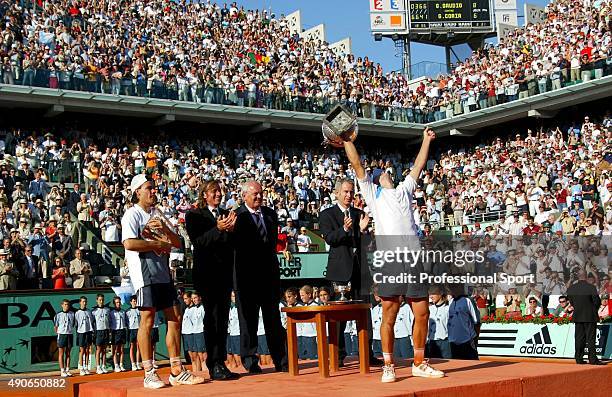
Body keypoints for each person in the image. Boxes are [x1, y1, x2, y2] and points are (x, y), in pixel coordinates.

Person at [342, 127, 441, 382]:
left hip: (414, 260)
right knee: (390, 313)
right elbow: (356, 165)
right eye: (379, 173)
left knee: (422, 313)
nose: (383, 173)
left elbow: (418, 165)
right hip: (392, 261)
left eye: (385, 172)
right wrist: (346, 141)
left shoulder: (404, 190)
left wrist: (426, 140)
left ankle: (419, 363)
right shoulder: (373, 195)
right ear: (376, 179)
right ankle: (388, 365)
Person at [121, 174, 205, 388]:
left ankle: (176, 370)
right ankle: (149, 371)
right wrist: (156, 243)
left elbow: (177, 242)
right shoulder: (132, 214)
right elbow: (129, 243)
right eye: (149, 188)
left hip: (163, 273)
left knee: (175, 316)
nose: (153, 191)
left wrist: (166, 231)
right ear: (137, 191)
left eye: (154, 187)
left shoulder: (158, 213)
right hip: (144, 273)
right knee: (147, 318)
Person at [318, 176, 381, 368]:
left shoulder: (359, 213)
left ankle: (367, 353)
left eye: (352, 192)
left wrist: (363, 231)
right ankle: (337, 356)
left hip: (360, 271)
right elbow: (329, 238)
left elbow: (368, 245)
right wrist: (344, 230)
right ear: (337, 193)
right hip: (340, 271)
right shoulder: (327, 214)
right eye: (345, 192)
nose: (349, 195)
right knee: (338, 318)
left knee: (365, 314)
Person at [184, 180, 239, 380]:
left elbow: (233, 245)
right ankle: (213, 363)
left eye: (220, 191)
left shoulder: (227, 214)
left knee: (223, 319)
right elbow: (198, 241)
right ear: (204, 194)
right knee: (212, 317)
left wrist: (232, 231)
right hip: (207, 275)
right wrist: (218, 228)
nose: (218, 194)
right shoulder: (194, 215)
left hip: (225, 274)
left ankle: (221, 362)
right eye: (214, 191)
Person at [232, 180, 288, 373]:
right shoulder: (237, 216)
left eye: (261, 193)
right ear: (244, 195)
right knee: (248, 322)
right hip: (246, 278)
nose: (259, 196)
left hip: (269, 277)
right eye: (254, 194)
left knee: (273, 320)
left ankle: (281, 359)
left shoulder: (271, 214)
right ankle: (250, 361)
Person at [567, 268, 603, 365]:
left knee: (579, 338)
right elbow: (597, 301)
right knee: (590, 338)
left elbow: (571, 301)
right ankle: (592, 359)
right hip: (590, 316)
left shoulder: (572, 288)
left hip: (578, 315)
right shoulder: (591, 287)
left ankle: (579, 358)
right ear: (586, 276)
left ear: (578, 276)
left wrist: (578, 308)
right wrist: (592, 309)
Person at [448, 286, 481, 360]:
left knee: (473, 365)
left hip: (467, 341)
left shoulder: (468, 300)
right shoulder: (450, 302)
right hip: (453, 342)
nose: (452, 289)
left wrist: (474, 340)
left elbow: (477, 322)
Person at [427, 286, 451, 359]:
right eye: (430, 294)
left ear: (440, 294)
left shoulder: (448, 308)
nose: (431, 296)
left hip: (445, 343)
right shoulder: (429, 309)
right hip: (432, 342)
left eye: (433, 293)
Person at [54, 299, 75, 377]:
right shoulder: (58, 315)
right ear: (62, 305)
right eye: (65, 304)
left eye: (68, 305)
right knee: (61, 353)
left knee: (68, 353)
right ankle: (62, 370)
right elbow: (56, 327)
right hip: (62, 335)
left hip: (69, 335)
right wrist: (60, 333)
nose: (66, 306)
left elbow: (72, 324)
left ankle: (67, 370)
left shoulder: (72, 314)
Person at [75, 296, 95, 376]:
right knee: (82, 350)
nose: (84, 303)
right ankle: (81, 368)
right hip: (81, 333)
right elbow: (76, 324)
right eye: (83, 301)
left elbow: (91, 322)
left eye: (85, 301)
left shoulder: (89, 312)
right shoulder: (77, 313)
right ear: (80, 302)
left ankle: (86, 367)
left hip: (88, 332)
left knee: (87, 350)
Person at [297, 285, 318, 360]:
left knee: (314, 359)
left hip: (313, 336)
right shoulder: (303, 306)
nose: (301, 297)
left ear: (309, 294)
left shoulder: (316, 306)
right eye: (300, 295)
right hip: (304, 336)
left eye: (303, 295)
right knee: (304, 359)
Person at [92, 294, 110, 374]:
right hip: (98, 332)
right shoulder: (94, 311)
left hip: (106, 331)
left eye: (102, 300)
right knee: (99, 349)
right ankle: (98, 367)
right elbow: (92, 323)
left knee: (104, 350)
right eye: (99, 300)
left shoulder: (107, 310)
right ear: (96, 300)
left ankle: (103, 365)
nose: (101, 301)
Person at [110, 296, 128, 372]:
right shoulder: (111, 313)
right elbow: (110, 323)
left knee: (121, 350)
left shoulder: (123, 312)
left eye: (119, 302)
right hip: (115, 332)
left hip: (122, 331)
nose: (118, 304)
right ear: (114, 304)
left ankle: (121, 364)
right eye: (117, 302)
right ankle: (116, 365)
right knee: (115, 349)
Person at [190, 291, 207, 372]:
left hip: (201, 332)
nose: (194, 300)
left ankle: (206, 371)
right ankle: (198, 372)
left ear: (200, 298)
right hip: (195, 333)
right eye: (192, 298)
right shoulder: (193, 309)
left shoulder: (203, 308)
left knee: (202, 355)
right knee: (196, 354)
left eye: (195, 298)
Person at [126, 295, 142, 371]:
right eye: (133, 301)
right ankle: (133, 364)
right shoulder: (127, 312)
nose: (135, 302)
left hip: (139, 330)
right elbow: (126, 323)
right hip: (131, 330)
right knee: (132, 346)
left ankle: (138, 363)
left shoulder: (139, 310)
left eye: (136, 301)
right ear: (130, 302)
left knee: (138, 346)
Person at [226, 291, 241, 369]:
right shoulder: (230, 308)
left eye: (234, 296)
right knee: (232, 354)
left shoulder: (239, 308)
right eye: (232, 296)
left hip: (238, 334)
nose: (233, 298)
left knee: (238, 356)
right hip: (231, 334)